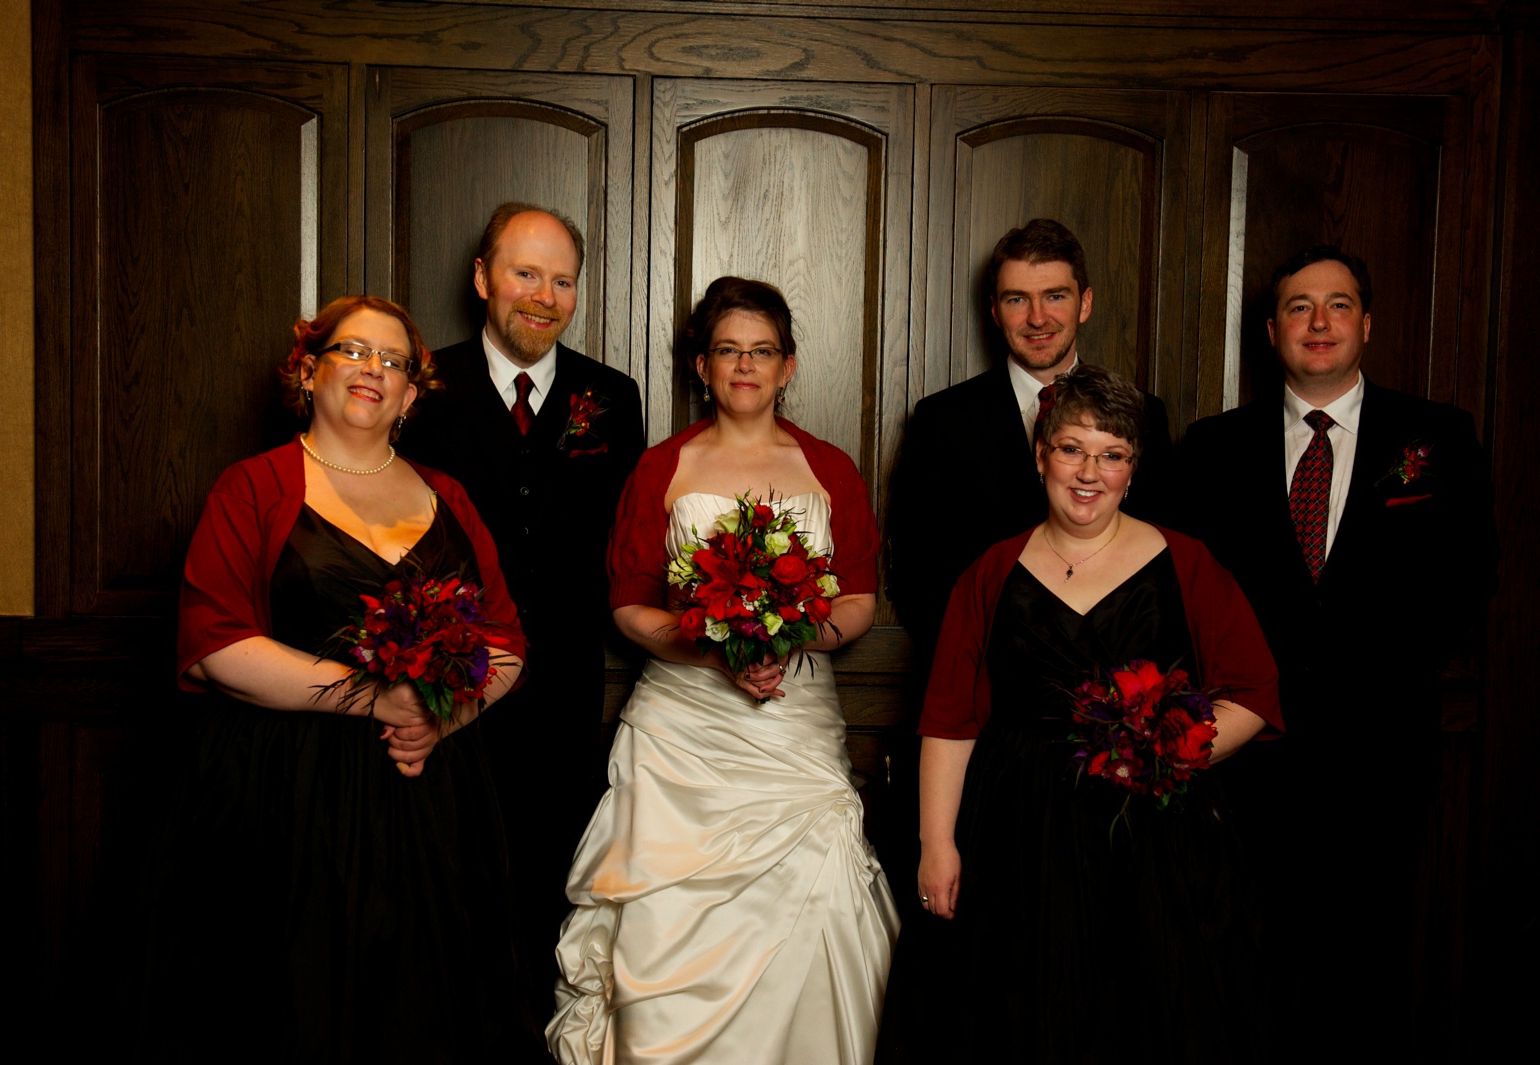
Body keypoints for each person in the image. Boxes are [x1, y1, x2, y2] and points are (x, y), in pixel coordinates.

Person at [141, 295, 532, 1061]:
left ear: (412, 395)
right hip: (284, 796)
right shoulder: (252, 487)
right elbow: (216, 646)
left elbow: (508, 643)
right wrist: (374, 697)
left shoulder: (448, 496)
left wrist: (444, 718)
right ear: (308, 370)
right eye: (353, 351)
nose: (372, 370)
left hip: (431, 798)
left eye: (393, 362)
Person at [877, 364, 1281, 1064]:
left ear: (1133, 467)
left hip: (1153, 836)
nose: (1089, 471)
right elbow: (949, 718)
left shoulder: (1186, 563)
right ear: (1041, 457)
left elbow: (1252, 693)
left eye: (1113, 453)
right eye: (1071, 449)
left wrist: (1172, 754)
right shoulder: (991, 570)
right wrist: (937, 845)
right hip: (1016, 835)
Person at [549, 277, 899, 1065]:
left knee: (821, 910)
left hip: (795, 732)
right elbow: (631, 607)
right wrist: (714, 647)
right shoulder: (661, 467)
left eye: (763, 351)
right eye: (729, 351)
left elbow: (860, 601)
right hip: (684, 735)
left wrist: (786, 640)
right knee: (666, 922)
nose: (746, 366)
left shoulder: (830, 468)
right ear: (701, 366)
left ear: (789, 365)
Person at [1177, 246, 1497, 1054]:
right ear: (1271, 330)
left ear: (1367, 324)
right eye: (1299, 306)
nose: (1319, 322)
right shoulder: (1213, 446)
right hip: (1252, 759)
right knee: (1247, 958)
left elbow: (1470, 577)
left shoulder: (1438, 437)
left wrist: (1377, 667)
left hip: (1380, 752)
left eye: (1339, 304)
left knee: (1366, 964)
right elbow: (1186, 591)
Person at [403, 203, 644, 1014]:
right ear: (482, 279)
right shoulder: (423, 388)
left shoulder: (612, 396)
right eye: (525, 273)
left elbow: (628, 549)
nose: (544, 296)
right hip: (446, 691)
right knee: (448, 895)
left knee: (552, 898)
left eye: (562, 279)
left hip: (568, 694)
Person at [888, 218, 1175, 663]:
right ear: (994, 310)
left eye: (1055, 296)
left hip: (1114, 686)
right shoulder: (942, 420)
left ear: (1085, 303)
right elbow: (916, 571)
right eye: (1017, 299)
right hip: (986, 682)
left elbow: (1161, 559)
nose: (1037, 318)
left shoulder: (1144, 413)